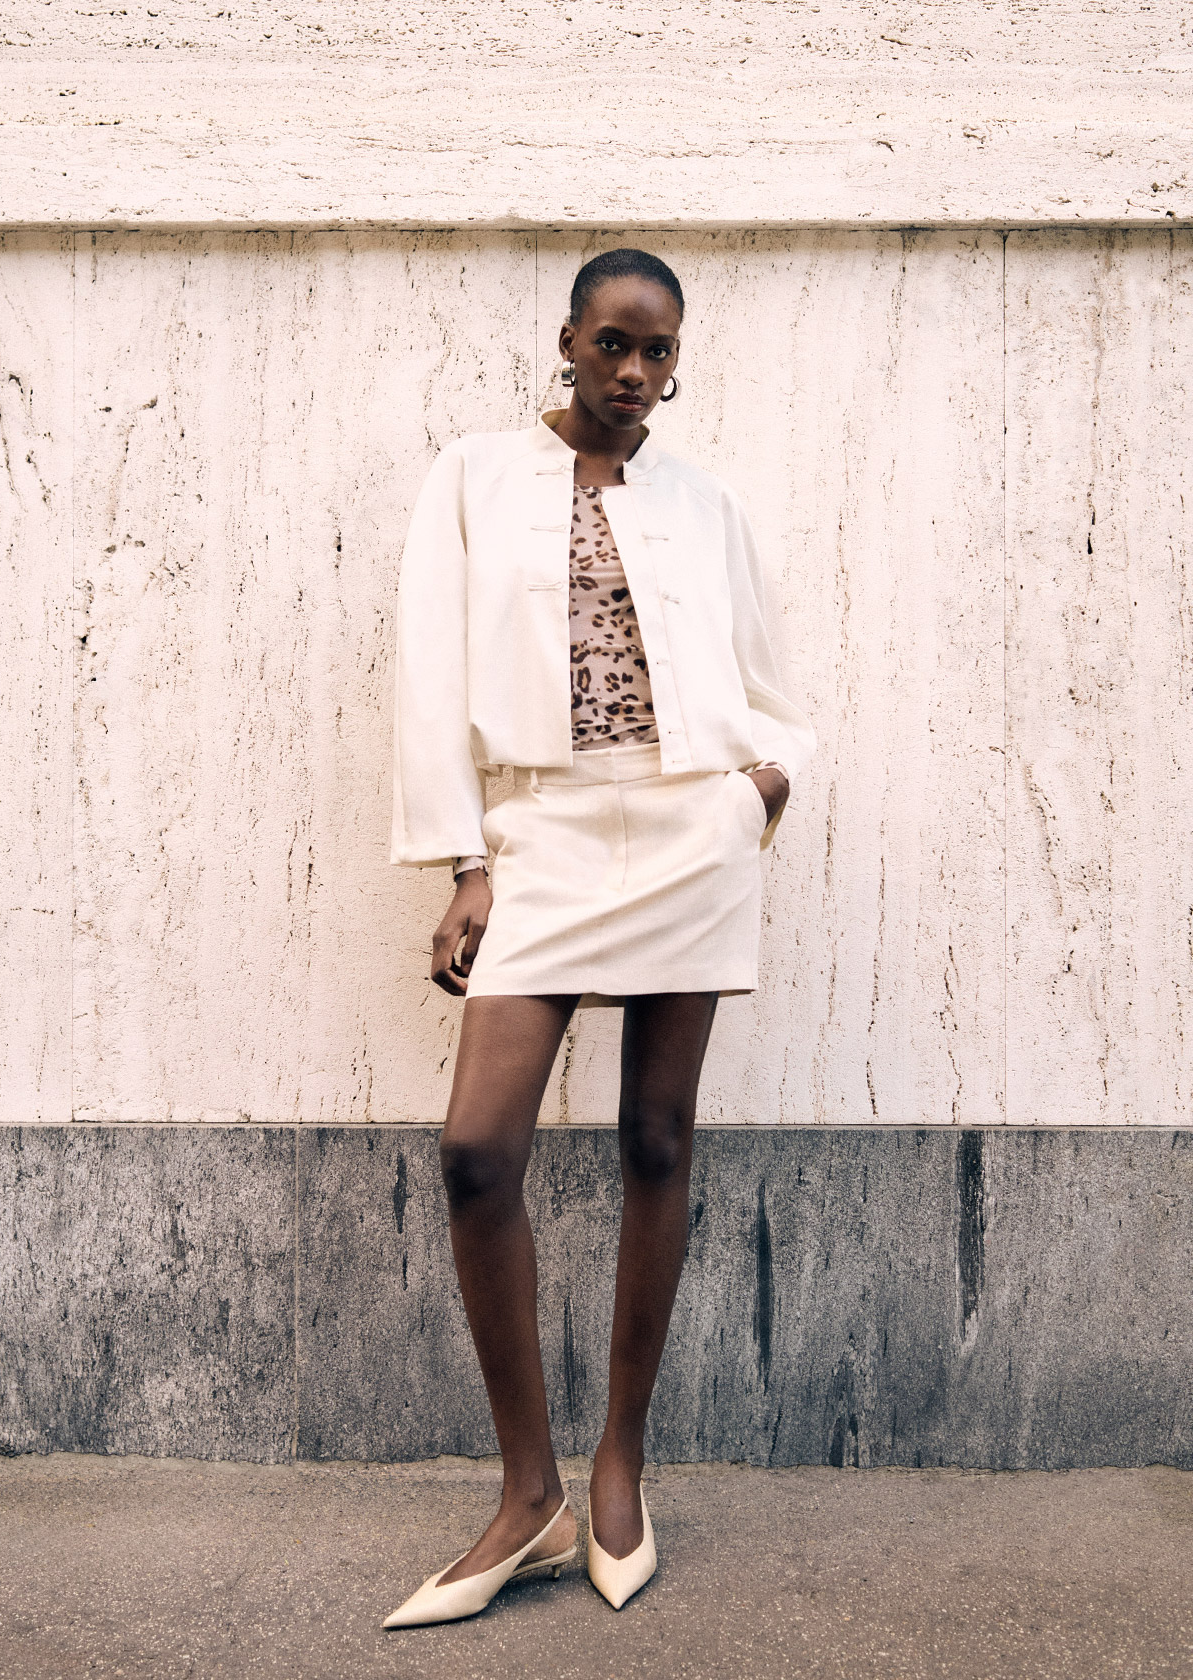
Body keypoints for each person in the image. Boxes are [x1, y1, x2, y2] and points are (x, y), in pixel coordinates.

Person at [382, 248, 815, 1628]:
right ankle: (532, 1494)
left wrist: (762, 788)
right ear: (567, 339)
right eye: (613, 343)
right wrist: (465, 861)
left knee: (656, 1143)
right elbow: (430, 675)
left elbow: (771, 684)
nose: (634, 372)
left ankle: (621, 1467)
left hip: (690, 829)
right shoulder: (471, 477)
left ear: (676, 364)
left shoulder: (705, 500)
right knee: (477, 1151)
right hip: (543, 833)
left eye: (658, 351)